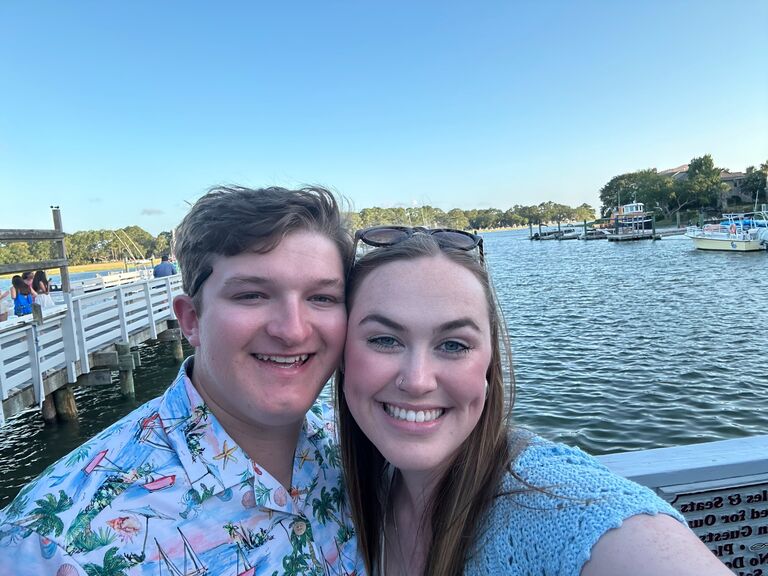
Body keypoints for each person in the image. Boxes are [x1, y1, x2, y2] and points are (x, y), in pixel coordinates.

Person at [0, 186, 362, 576]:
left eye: (322, 298)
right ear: (191, 320)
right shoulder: (52, 543)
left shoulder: (357, 447)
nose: (292, 330)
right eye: (252, 295)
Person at [336, 226, 731, 576]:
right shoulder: (354, 489)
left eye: (453, 345)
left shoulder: (549, 502)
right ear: (342, 354)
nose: (418, 381)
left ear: (489, 367)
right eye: (384, 340)